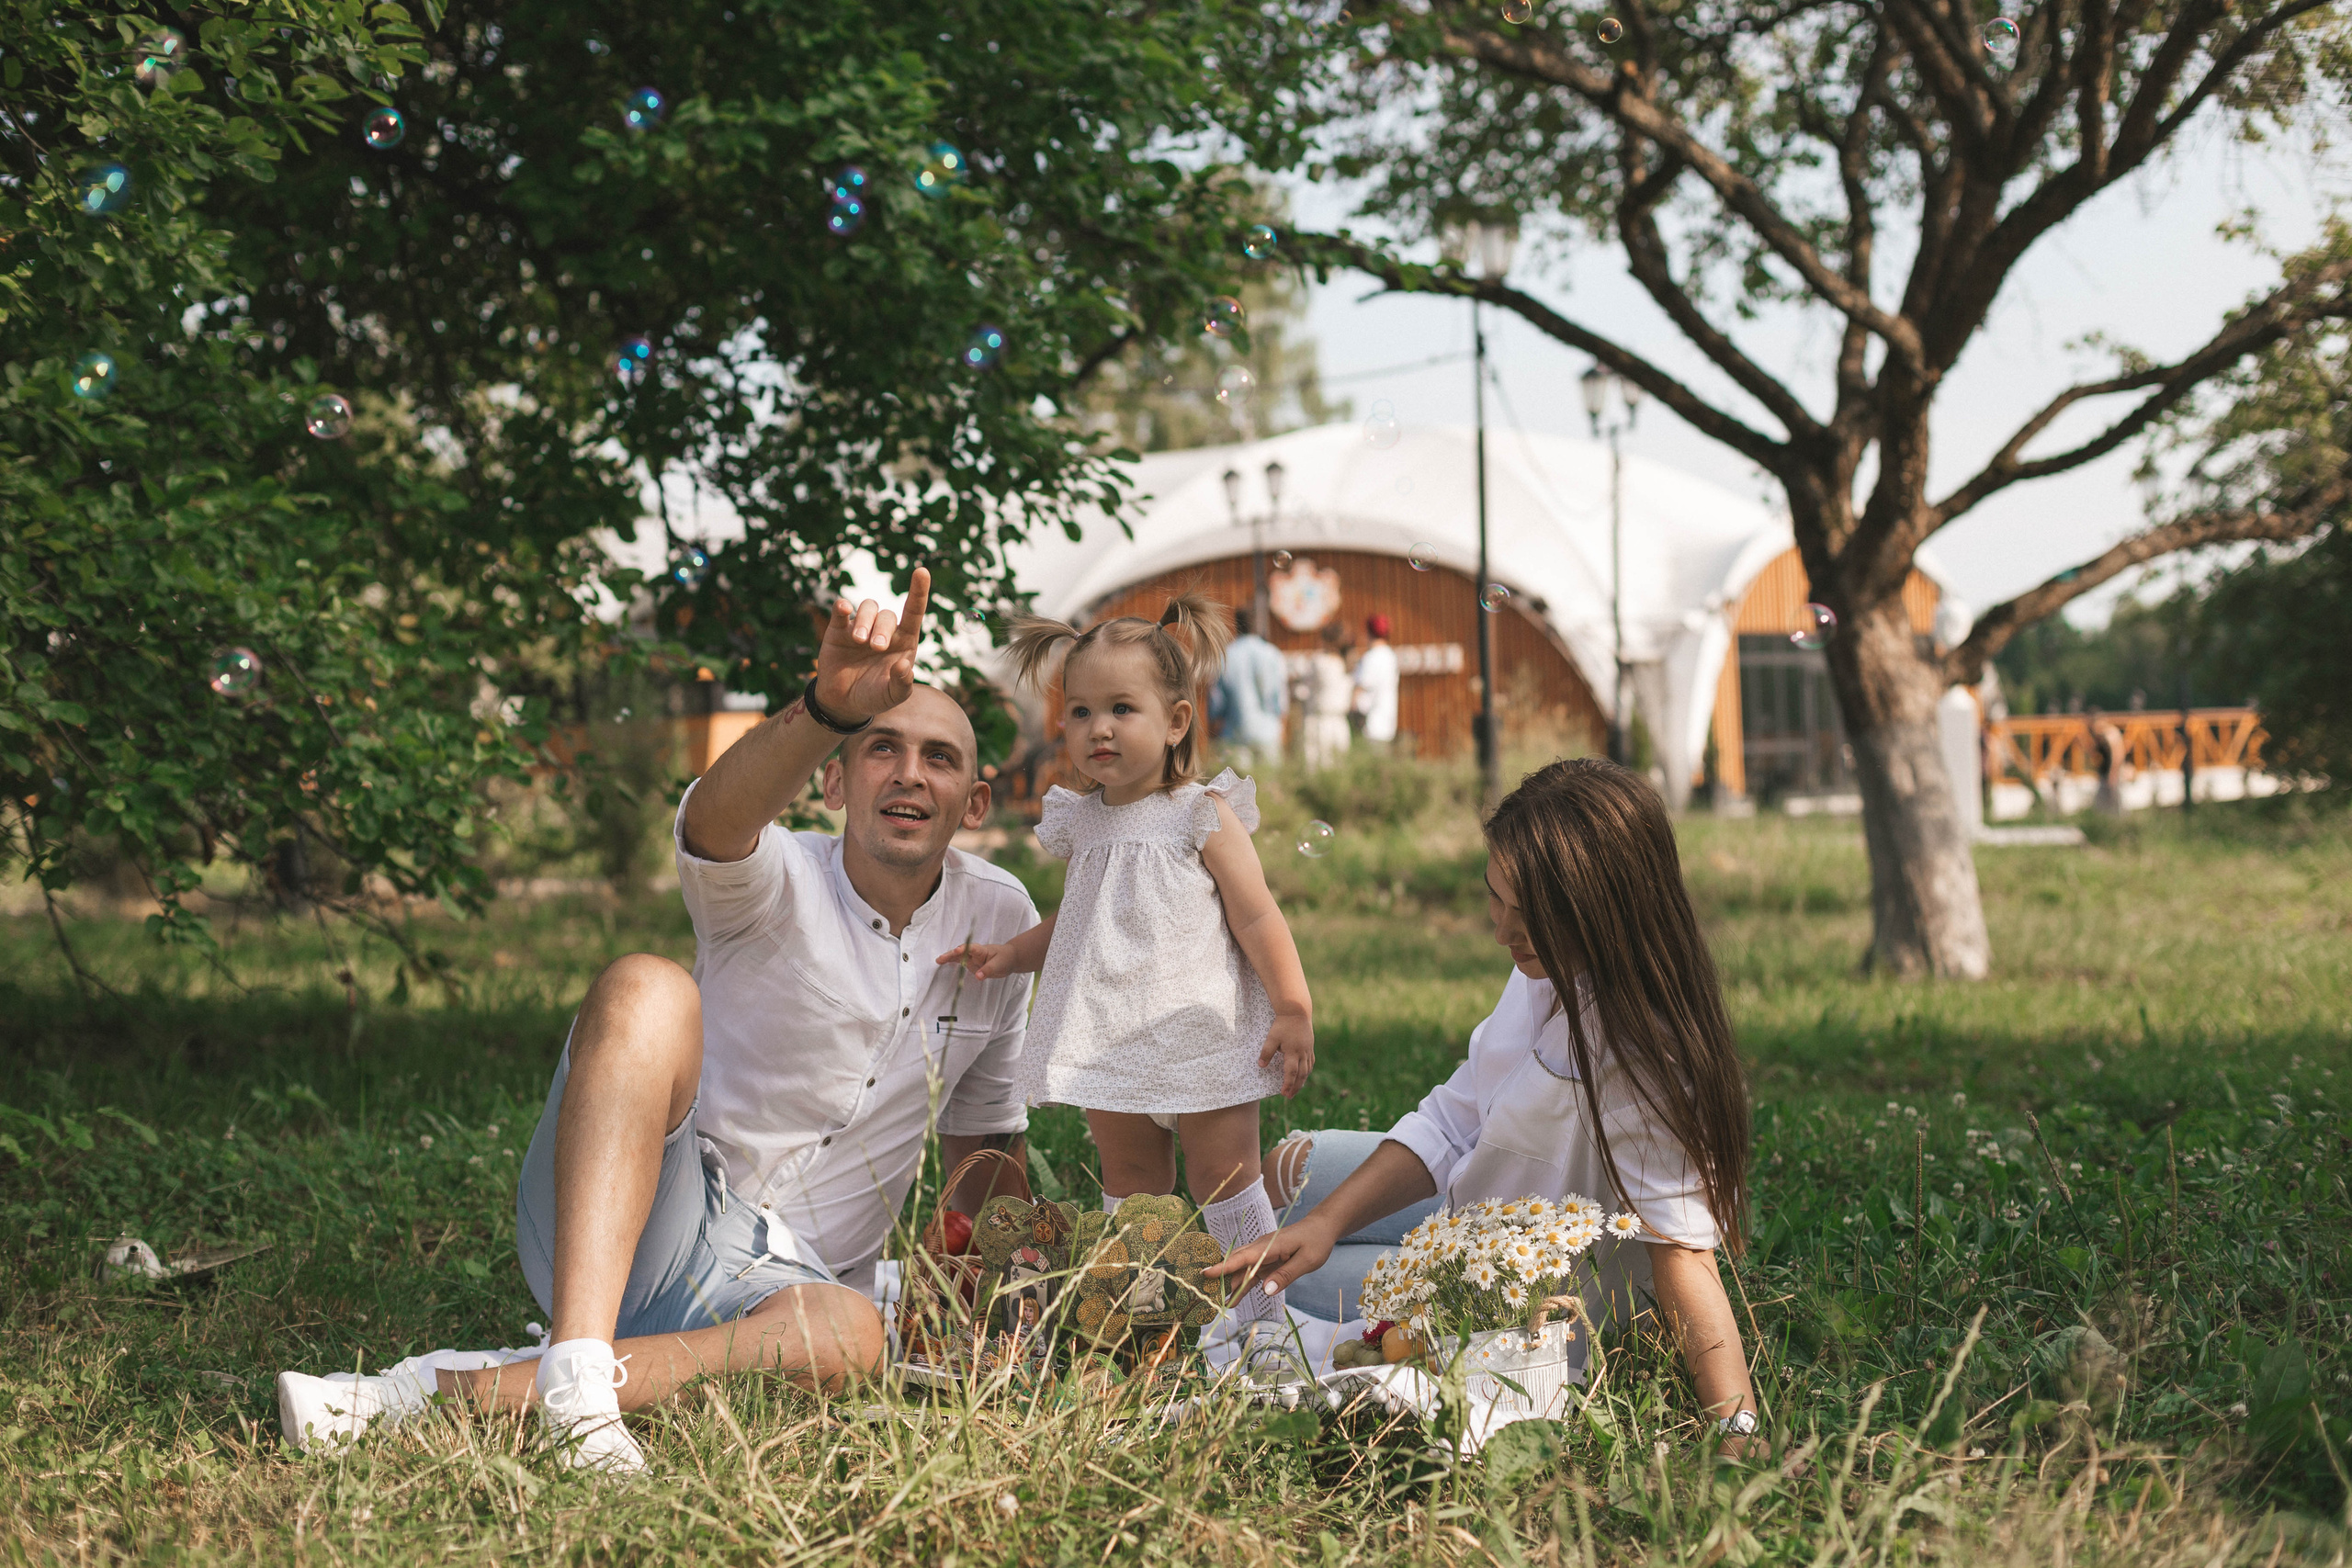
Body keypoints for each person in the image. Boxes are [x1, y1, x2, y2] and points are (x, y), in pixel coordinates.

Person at [274, 568, 1041, 1472]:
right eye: (881, 748)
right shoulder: (778, 876)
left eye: (940, 758)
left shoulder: (1000, 920)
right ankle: (578, 1359)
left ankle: (478, 1391)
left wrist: (1010, 1303)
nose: (910, 772)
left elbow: (985, 1144)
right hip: (638, 1216)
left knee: (851, 1336)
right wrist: (827, 708)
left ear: (975, 804)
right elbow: (714, 820)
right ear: (832, 781)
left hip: (795, 1295)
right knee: (645, 985)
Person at [1211, 758, 1761, 1448]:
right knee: (1291, 1171)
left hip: (1527, 1290)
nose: (1503, 932)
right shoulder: (1548, 966)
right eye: (1496, 898)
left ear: (1606, 910)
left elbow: (1682, 1253)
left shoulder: (1643, 1056)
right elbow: (1453, 1118)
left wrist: (1735, 1424)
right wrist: (1326, 1223)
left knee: (1274, 1297)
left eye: (1529, 916)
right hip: (1483, 1212)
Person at [941, 592, 1315, 1337]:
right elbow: (1079, 919)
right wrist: (1014, 953)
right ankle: (1154, 1322)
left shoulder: (1200, 812)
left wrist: (1292, 1005)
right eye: (1078, 712)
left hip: (1197, 1032)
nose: (1097, 728)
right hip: (1109, 1033)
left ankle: (1265, 1322)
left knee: (1225, 1178)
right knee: (1134, 1184)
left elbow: (1256, 914)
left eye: (1121, 708)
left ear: (1176, 720)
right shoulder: (1085, 820)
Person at [1212, 615, 1289, 769]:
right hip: (1268, 730)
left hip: (1235, 731)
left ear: (1236, 626)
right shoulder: (1272, 653)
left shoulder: (1226, 655)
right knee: (1270, 784)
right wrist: (1283, 724)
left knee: (1239, 788)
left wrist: (1214, 724)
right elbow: (1279, 695)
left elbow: (1217, 700)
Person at [1302, 623, 1355, 771]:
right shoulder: (1348, 662)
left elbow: (1305, 686)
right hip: (1340, 722)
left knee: (1316, 766)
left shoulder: (1319, 662)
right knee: (1340, 766)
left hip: (1320, 721)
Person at [1352, 614, 1401, 751]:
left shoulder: (1371, 657)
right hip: (1387, 722)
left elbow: (1361, 687)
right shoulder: (1390, 656)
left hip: (1370, 724)